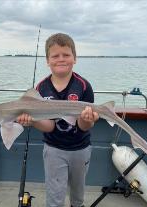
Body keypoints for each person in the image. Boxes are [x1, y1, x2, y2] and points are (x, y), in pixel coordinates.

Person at [17, 33, 99, 207]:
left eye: (66, 55)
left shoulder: (84, 86)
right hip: (54, 150)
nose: (61, 59)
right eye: (55, 56)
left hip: (81, 148)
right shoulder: (40, 89)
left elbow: (84, 126)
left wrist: (86, 119)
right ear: (48, 60)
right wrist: (32, 121)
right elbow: (49, 126)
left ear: (74, 58)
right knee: (55, 198)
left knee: (78, 196)